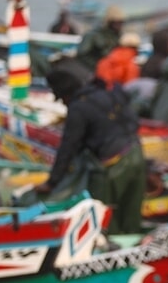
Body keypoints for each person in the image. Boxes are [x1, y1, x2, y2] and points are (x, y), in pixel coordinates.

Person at [35, 78, 146, 235]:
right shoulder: (106, 94)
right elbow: (133, 120)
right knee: (131, 208)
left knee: (104, 209)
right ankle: (132, 241)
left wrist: (52, 182)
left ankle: (108, 244)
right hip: (137, 152)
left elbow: (68, 147)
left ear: (66, 95)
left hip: (114, 163)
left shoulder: (78, 108)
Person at [75, 5, 126, 72]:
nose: (119, 26)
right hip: (92, 71)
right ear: (109, 22)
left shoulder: (120, 37)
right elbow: (82, 54)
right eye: (116, 22)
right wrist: (98, 65)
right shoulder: (93, 35)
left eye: (121, 22)